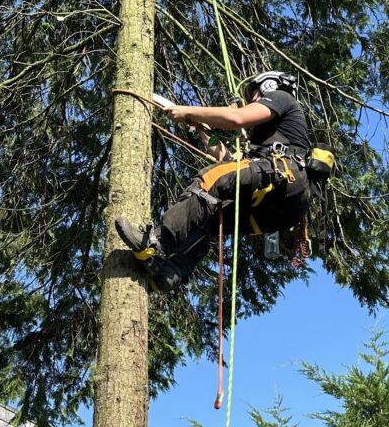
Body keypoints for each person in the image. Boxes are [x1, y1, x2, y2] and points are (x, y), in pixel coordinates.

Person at [116, 71, 313, 292]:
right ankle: (170, 272)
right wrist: (199, 126)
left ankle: (156, 242)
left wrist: (189, 110)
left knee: (210, 178)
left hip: (285, 175)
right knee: (209, 218)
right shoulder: (268, 139)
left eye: (254, 94)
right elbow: (229, 162)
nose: (253, 99)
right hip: (278, 209)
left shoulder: (281, 97)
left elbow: (237, 119)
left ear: (268, 86)